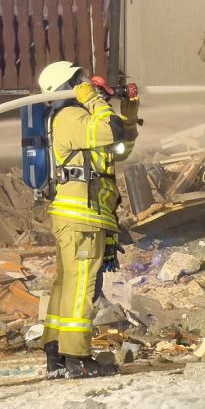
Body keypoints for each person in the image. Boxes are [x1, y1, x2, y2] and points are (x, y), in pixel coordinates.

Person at [37, 61, 140, 379]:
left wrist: (128, 112)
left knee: (69, 283)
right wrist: (94, 99)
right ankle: (76, 357)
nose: (86, 84)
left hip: (85, 215)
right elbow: (108, 129)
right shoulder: (70, 117)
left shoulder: (82, 119)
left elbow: (119, 148)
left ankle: (56, 351)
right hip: (80, 217)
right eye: (79, 80)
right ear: (67, 87)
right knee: (82, 285)